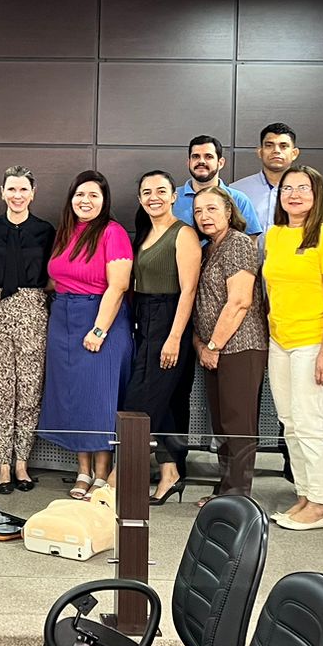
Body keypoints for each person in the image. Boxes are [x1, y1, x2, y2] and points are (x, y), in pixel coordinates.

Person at [262, 165, 323, 530]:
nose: (294, 194)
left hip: (316, 341)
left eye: (303, 188)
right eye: (287, 188)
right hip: (280, 340)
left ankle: (321, 503)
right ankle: (304, 494)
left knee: (311, 422)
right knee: (289, 422)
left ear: (317, 196)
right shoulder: (274, 234)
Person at [39, 171, 133, 498]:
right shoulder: (65, 232)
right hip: (63, 318)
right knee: (75, 396)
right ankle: (82, 470)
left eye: (94, 195)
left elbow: (119, 285)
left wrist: (99, 329)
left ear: (104, 200)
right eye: (80, 194)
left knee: (100, 398)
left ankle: (102, 474)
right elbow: (56, 276)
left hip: (100, 319)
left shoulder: (113, 232)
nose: (86, 201)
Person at [128, 170, 202, 504]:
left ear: (174, 196)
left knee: (140, 402)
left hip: (170, 320)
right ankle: (170, 471)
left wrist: (174, 337)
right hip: (144, 320)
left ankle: (124, 475)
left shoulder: (183, 233)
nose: (153, 197)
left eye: (161, 190)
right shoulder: (142, 232)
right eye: (146, 191)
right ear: (140, 198)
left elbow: (188, 291)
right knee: (163, 402)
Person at [191, 187, 269, 503]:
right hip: (214, 349)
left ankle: (238, 495)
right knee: (223, 422)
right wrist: (204, 345)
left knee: (239, 423)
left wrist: (213, 345)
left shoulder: (238, 243)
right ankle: (226, 488)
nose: (204, 216)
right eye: (198, 211)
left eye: (211, 209)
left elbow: (239, 301)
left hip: (240, 347)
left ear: (228, 211)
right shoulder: (209, 248)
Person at [0, 167, 55, 495]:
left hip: (33, 308)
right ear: (2, 192)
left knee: (28, 387)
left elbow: (52, 275)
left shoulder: (45, 230)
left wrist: (30, 297)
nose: (17, 195)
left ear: (32, 193)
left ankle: (22, 462)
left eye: (23, 189)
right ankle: (2, 465)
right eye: (11, 189)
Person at [233, 122, 323, 230]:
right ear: (260, 152)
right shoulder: (237, 190)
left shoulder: (313, 190)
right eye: (269, 145)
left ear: (294, 153)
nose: (276, 151)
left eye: (283, 146)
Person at [172, 135, 263, 233]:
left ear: (220, 163)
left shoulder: (239, 199)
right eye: (196, 156)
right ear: (189, 162)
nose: (201, 161)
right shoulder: (171, 198)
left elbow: (251, 242)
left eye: (208, 156)